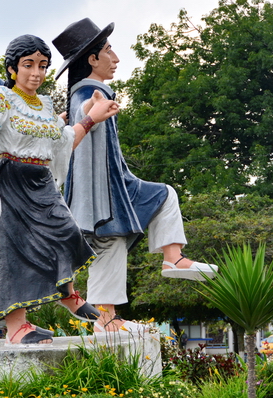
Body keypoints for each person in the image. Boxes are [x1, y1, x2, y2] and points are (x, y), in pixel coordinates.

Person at [0, 34, 119, 345]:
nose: (36, 73)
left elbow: (63, 144)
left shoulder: (44, 105)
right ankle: (17, 329)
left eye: (42, 65)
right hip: (10, 179)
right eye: (28, 65)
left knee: (66, 233)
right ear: (13, 69)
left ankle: (67, 294)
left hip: (40, 181)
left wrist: (91, 118)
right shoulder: (1, 96)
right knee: (12, 253)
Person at [52, 19, 218, 333]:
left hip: (105, 190)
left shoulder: (86, 92)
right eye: (108, 50)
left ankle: (108, 317)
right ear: (92, 59)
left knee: (112, 243)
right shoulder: (89, 93)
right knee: (159, 199)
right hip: (104, 193)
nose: (115, 58)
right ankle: (171, 261)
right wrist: (90, 117)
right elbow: (80, 140)